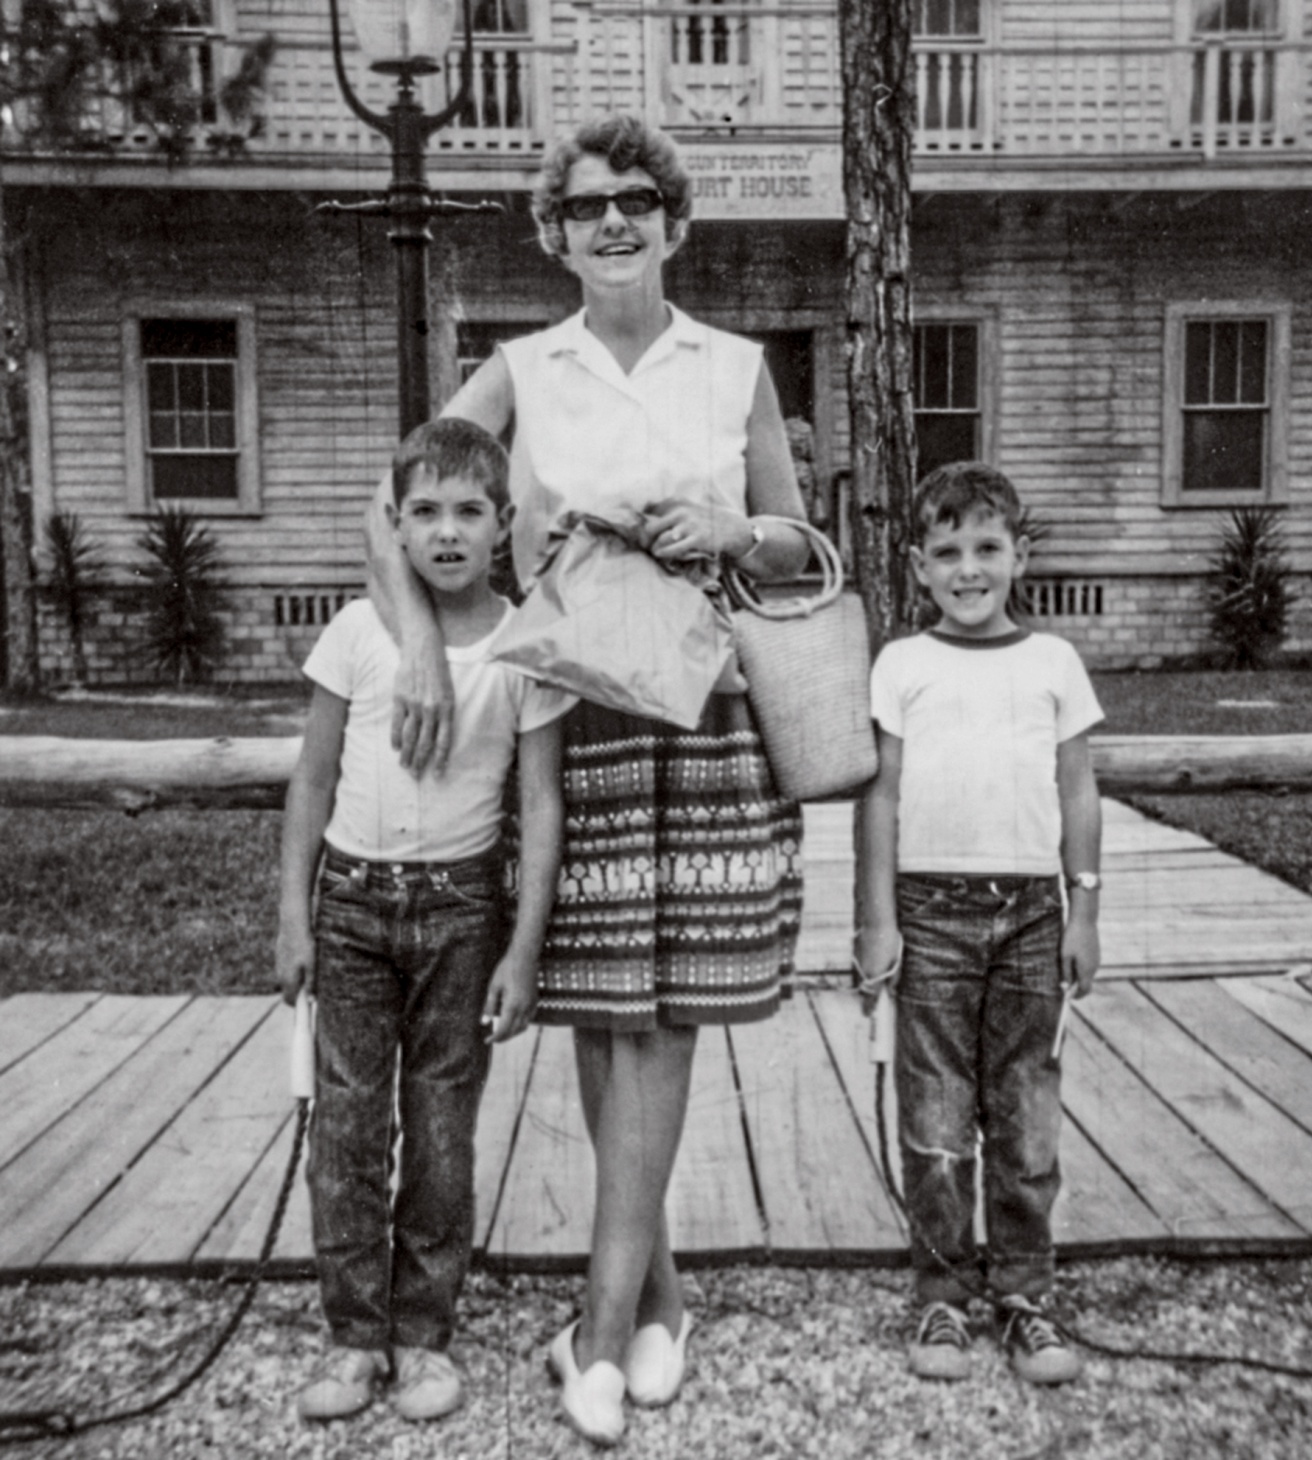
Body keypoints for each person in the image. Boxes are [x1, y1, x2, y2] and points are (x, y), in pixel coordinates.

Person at [367, 113, 810, 1446]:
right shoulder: (520, 370)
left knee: (665, 1022)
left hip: (708, 714)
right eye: (585, 206)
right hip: (573, 725)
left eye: (636, 201)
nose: (612, 222)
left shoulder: (734, 368)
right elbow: (393, 503)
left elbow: (797, 546)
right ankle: (649, 1310)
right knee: (606, 1010)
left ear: (676, 222)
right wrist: (422, 656)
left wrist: (737, 527)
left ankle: (598, 1332)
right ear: (554, 233)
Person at [278, 418, 571, 1424]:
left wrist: (523, 947)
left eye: (469, 512)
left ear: (503, 524)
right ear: (394, 526)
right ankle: (354, 1333)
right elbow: (311, 777)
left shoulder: (524, 644)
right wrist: (293, 914)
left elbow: (539, 805)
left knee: (440, 1129)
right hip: (354, 904)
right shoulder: (358, 633)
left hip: (459, 912)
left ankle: (422, 1332)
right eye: (426, 513)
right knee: (349, 1127)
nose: (447, 532)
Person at [855, 460, 1103, 1387]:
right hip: (929, 913)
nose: (969, 569)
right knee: (933, 1114)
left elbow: (1078, 789)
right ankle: (943, 1298)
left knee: (1026, 1110)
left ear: (1020, 556)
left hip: (1034, 913)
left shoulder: (1053, 663)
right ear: (919, 567)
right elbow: (879, 799)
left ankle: (1027, 1293)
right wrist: (877, 921)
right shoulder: (902, 663)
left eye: (988, 548)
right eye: (948, 552)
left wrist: (1086, 905)